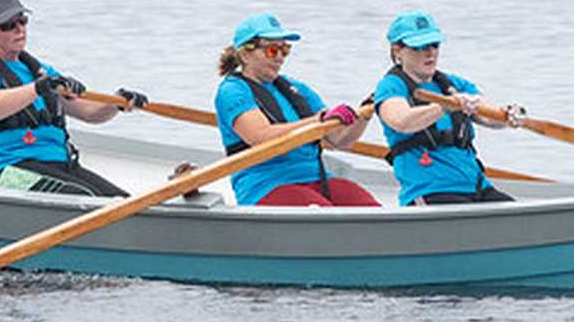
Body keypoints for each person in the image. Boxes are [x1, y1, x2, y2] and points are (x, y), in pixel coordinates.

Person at [0, 0, 143, 196]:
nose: (19, 30)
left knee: (125, 203)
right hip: (6, 171)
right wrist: (38, 88)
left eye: (22, 21)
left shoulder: (39, 71)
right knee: (81, 198)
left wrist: (117, 103)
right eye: (8, 26)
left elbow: (89, 113)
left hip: (58, 164)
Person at [213, 13, 380, 207]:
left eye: (284, 50)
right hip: (264, 183)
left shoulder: (296, 89)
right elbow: (260, 136)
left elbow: (339, 140)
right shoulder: (233, 91)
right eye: (272, 50)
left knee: (371, 209)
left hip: (317, 177)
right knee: (326, 216)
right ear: (245, 54)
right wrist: (318, 120)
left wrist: (365, 114)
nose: (279, 58)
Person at [371, 11, 526, 206]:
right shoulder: (391, 87)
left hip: (478, 188)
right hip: (430, 192)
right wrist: (446, 106)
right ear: (397, 51)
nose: (430, 53)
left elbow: (488, 115)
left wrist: (508, 115)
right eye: (420, 46)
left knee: (519, 216)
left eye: (434, 44)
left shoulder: (454, 84)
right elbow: (402, 121)